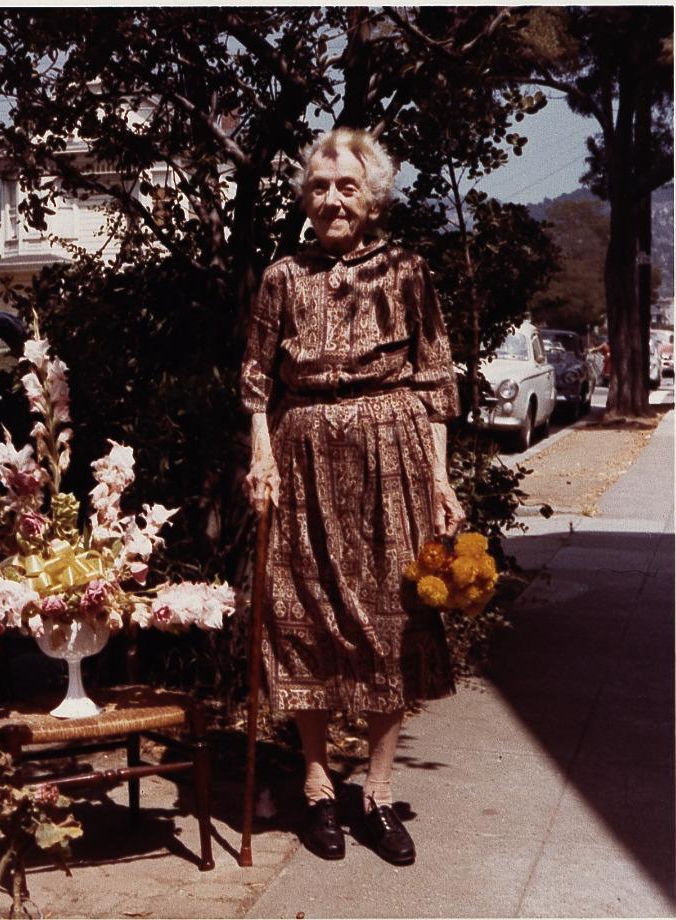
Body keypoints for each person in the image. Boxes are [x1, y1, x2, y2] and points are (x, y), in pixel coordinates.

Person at [241, 128, 465, 865]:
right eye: (319, 186)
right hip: (301, 450)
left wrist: (438, 479)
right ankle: (314, 786)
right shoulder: (280, 276)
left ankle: (373, 790)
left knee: (390, 621)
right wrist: (261, 456)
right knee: (299, 615)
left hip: (390, 453)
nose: (332, 199)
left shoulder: (405, 271)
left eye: (346, 186)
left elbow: (434, 378)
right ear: (303, 197)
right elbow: (255, 380)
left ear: (372, 198)